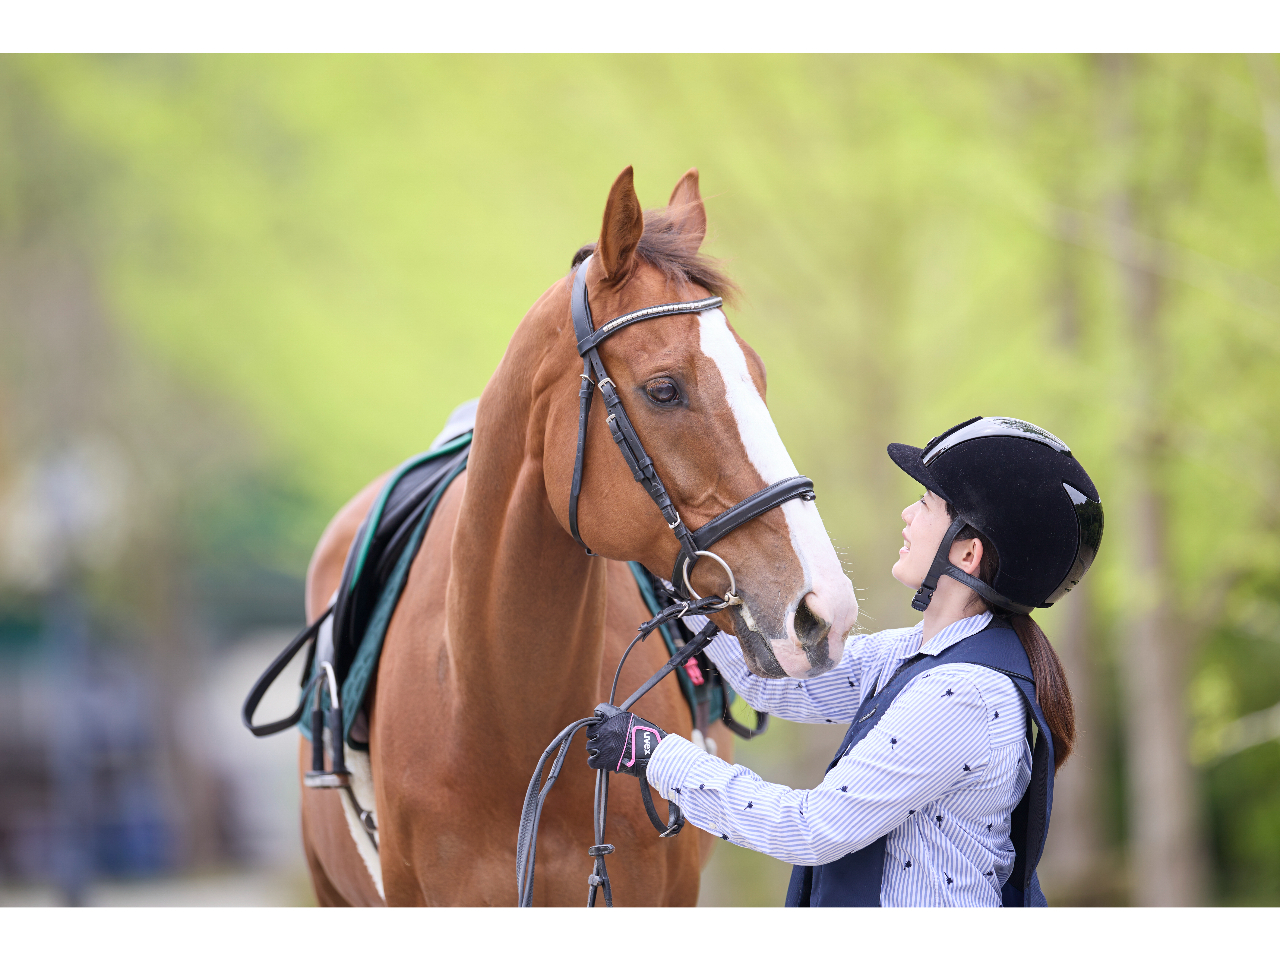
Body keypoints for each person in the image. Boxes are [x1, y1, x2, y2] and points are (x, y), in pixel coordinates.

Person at [586, 416, 1104, 907]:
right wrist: (675, 578)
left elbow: (811, 829)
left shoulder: (963, 693)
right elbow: (778, 685)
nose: (909, 513)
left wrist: (653, 755)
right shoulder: (916, 653)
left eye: (927, 503)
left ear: (967, 554)